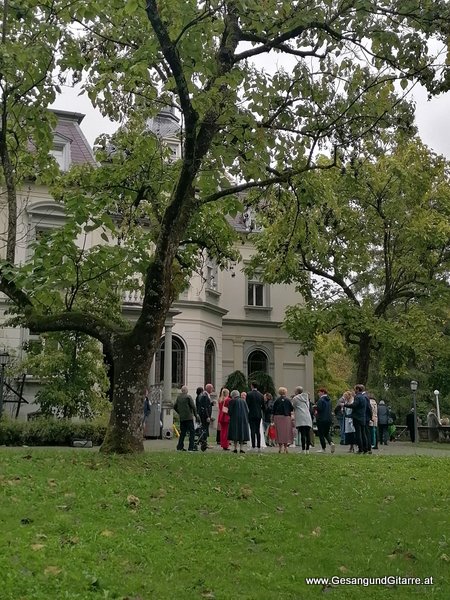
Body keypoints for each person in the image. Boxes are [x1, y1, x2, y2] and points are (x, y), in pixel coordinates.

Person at [345, 384, 369, 454]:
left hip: (357, 417)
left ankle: (360, 449)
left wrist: (345, 405)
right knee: (363, 433)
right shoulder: (364, 397)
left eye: (355, 389)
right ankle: (365, 448)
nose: (354, 391)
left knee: (358, 434)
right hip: (362, 417)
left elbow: (354, 405)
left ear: (358, 389)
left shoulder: (357, 397)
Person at [173, 385, 199, 452]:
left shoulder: (178, 398)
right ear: (186, 391)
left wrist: (179, 412)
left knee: (183, 433)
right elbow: (193, 407)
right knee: (192, 432)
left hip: (182, 418)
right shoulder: (188, 397)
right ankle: (191, 447)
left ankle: (180, 446)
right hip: (189, 417)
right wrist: (196, 416)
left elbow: (175, 406)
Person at [272, 387, 294, 453]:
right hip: (286, 417)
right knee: (286, 433)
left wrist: (272, 418)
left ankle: (280, 447)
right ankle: (286, 447)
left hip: (278, 417)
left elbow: (273, 409)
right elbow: (291, 409)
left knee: (279, 433)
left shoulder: (277, 400)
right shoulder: (288, 400)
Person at [228, 389, 250, 453]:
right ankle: (241, 448)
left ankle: (235, 448)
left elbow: (230, 411)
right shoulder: (243, 401)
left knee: (235, 433)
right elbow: (247, 411)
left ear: (233, 395)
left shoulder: (232, 401)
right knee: (242, 433)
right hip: (243, 419)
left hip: (234, 419)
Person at [292, 386, 313, 454]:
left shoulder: (295, 398)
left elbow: (294, 406)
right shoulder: (306, 397)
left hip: (300, 416)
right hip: (307, 416)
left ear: (297, 391)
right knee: (307, 434)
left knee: (302, 434)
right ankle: (308, 449)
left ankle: (303, 449)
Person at [246, 381, 265, 451]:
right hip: (258, 414)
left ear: (252, 386)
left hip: (251, 414)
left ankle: (253, 446)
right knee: (258, 431)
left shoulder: (249, 394)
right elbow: (263, 406)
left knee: (252, 430)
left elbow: (247, 405)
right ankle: (259, 446)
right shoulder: (261, 395)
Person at [315, 388, 335, 454]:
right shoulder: (329, 400)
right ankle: (331, 442)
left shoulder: (321, 400)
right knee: (326, 433)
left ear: (323, 392)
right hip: (328, 418)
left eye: (319, 392)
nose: (318, 394)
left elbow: (320, 409)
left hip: (321, 419)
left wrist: (315, 407)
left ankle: (323, 448)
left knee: (321, 434)